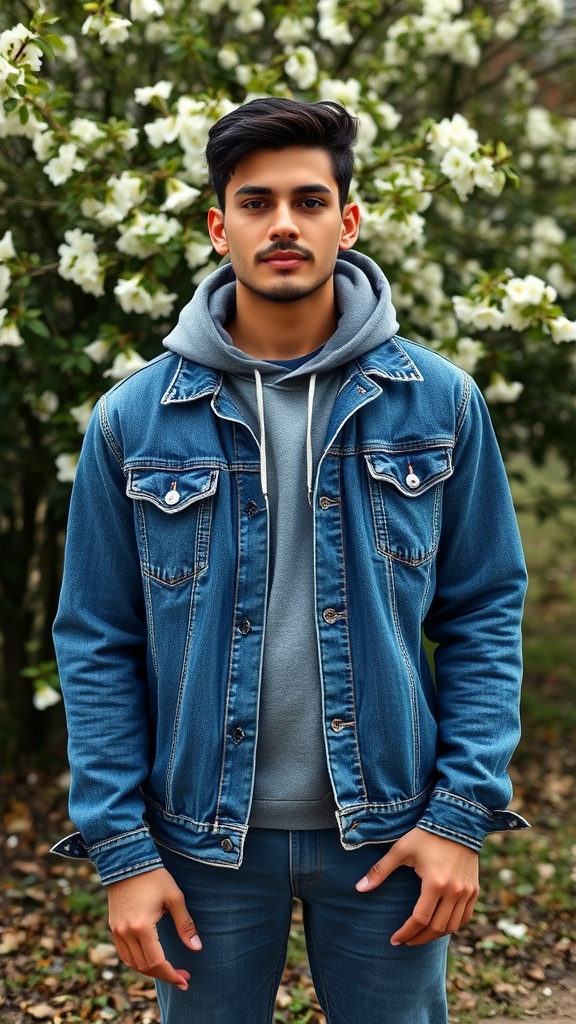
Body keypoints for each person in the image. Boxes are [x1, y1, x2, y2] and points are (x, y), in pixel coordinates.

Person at [52, 97, 529, 1024]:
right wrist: (125, 853)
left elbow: (484, 612)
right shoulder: (134, 420)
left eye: (309, 201)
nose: (282, 224)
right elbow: (97, 640)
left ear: (347, 222)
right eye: (256, 201)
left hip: (391, 836)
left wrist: (459, 818)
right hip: (199, 846)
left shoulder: (440, 404)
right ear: (217, 223)